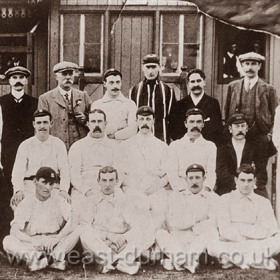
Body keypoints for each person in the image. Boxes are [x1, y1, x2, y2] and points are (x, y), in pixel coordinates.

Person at [80, 166, 154, 275]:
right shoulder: (91, 201)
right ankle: (120, 262)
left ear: (117, 182)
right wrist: (107, 236)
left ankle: (113, 262)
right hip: (99, 245)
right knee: (83, 231)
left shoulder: (124, 200)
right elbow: (86, 226)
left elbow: (135, 225)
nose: (107, 184)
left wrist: (123, 238)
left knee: (149, 234)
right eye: (104, 180)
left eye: (111, 180)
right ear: (98, 181)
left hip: (120, 245)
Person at [3, 167, 79, 271]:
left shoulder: (58, 199)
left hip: (54, 242)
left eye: (51, 184)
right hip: (33, 243)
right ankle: (44, 259)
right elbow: (14, 230)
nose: (48, 187)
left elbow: (73, 220)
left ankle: (49, 259)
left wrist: (58, 238)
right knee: (8, 241)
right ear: (35, 181)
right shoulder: (27, 202)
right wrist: (32, 242)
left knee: (78, 230)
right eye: (44, 182)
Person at [208, 164, 280, 270]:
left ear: (255, 180)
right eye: (242, 180)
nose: (246, 184)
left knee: (277, 242)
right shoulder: (225, 199)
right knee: (212, 245)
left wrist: (239, 228)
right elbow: (224, 229)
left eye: (249, 180)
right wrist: (248, 233)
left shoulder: (263, 202)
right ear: (236, 180)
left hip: (255, 244)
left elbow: (267, 231)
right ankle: (256, 261)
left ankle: (234, 260)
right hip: (232, 243)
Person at [156, 164, 219, 273]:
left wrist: (196, 226)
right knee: (160, 233)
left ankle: (177, 260)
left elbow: (214, 222)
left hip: (197, 239)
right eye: (191, 178)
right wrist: (195, 221)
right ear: (186, 179)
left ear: (204, 179)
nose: (194, 181)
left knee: (212, 232)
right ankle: (187, 262)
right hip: (178, 238)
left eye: (198, 178)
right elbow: (173, 222)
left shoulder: (212, 197)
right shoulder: (176, 196)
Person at [0, 66, 37, 238]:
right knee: (8, 193)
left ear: (26, 81)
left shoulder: (34, 103)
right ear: (9, 81)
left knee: (28, 191)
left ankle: (28, 233)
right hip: (7, 155)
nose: (18, 80)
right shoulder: (1, 102)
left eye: (22, 77)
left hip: (29, 155)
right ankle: (8, 236)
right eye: (14, 77)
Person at [117, 106, 168, 228]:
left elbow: (167, 174)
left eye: (148, 119)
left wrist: (157, 186)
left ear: (153, 121)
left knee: (159, 214)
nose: (145, 123)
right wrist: (135, 187)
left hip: (155, 189)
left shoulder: (162, 146)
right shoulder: (125, 145)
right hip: (133, 188)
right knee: (135, 215)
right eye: (141, 119)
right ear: (136, 121)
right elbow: (120, 173)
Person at [10, 109, 70, 208]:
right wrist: (18, 190)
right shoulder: (26, 145)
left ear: (51, 123)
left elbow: (65, 171)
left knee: (63, 207)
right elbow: (17, 172)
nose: (42, 126)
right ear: (34, 124)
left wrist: (63, 190)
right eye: (39, 123)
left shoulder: (58, 144)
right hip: (30, 186)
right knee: (21, 207)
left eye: (45, 122)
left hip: (52, 186)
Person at [224, 52, 278, 159]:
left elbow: (276, 115)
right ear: (242, 66)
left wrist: (269, 135)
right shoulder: (233, 86)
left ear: (259, 66)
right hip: (238, 135)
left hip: (260, 135)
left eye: (253, 64)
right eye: (247, 64)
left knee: (260, 168)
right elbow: (227, 112)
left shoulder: (268, 89)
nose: (250, 67)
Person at [68, 109, 119, 220]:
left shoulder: (115, 146)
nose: (97, 125)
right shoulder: (77, 146)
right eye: (93, 121)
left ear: (105, 124)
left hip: (109, 187)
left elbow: (119, 172)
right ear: (88, 124)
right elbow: (74, 175)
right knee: (81, 216)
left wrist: (109, 190)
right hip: (84, 190)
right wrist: (87, 192)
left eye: (100, 121)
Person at [38, 61, 91, 150]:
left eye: (70, 74)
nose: (68, 77)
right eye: (64, 74)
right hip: (56, 145)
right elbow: (41, 125)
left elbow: (93, 117)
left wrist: (85, 118)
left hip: (81, 144)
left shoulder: (83, 95)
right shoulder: (45, 98)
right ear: (56, 77)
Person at [216, 113, 268, 197]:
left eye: (243, 126)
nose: (240, 129)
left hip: (251, 187)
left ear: (247, 128)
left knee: (263, 202)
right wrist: (238, 185)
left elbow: (262, 172)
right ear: (230, 129)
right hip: (229, 187)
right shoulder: (223, 149)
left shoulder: (255, 147)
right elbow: (222, 172)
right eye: (237, 126)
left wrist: (250, 186)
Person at [129, 54, 176, 144]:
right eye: (147, 67)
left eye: (154, 67)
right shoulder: (134, 91)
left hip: (162, 139)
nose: (150, 71)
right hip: (139, 141)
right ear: (142, 68)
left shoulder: (168, 91)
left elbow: (172, 118)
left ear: (159, 67)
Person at [169, 69, 224, 146]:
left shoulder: (213, 103)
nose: (196, 84)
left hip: (206, 147)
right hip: (185, 147)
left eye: (198, 81)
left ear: (204, 82)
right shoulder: (180, 105)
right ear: (188, 84)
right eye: (192, 81)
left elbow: (217, 129)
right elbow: (175, 130)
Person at [167, 108, 216, 192]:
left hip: (202, 190)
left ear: (203, 124)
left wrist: (205, 190)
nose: (195, 125)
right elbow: (172, 173)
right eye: (191, 122)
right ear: (186, 124)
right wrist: (181, 190)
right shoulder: (175, 146)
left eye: (199, 122)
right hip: (181, 190)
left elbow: (211, 173)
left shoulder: (210, 146)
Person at [91, 69, 137, 141]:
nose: (115, 86)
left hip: (124, 145)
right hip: (103, 145)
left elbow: (133, 130)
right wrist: (119, 127)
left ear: (121, 83)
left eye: (118, 82)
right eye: (111, 83)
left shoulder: (130, 104)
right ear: (104, 84)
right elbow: (96, 130)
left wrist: (114, 135)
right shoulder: (97, 105)